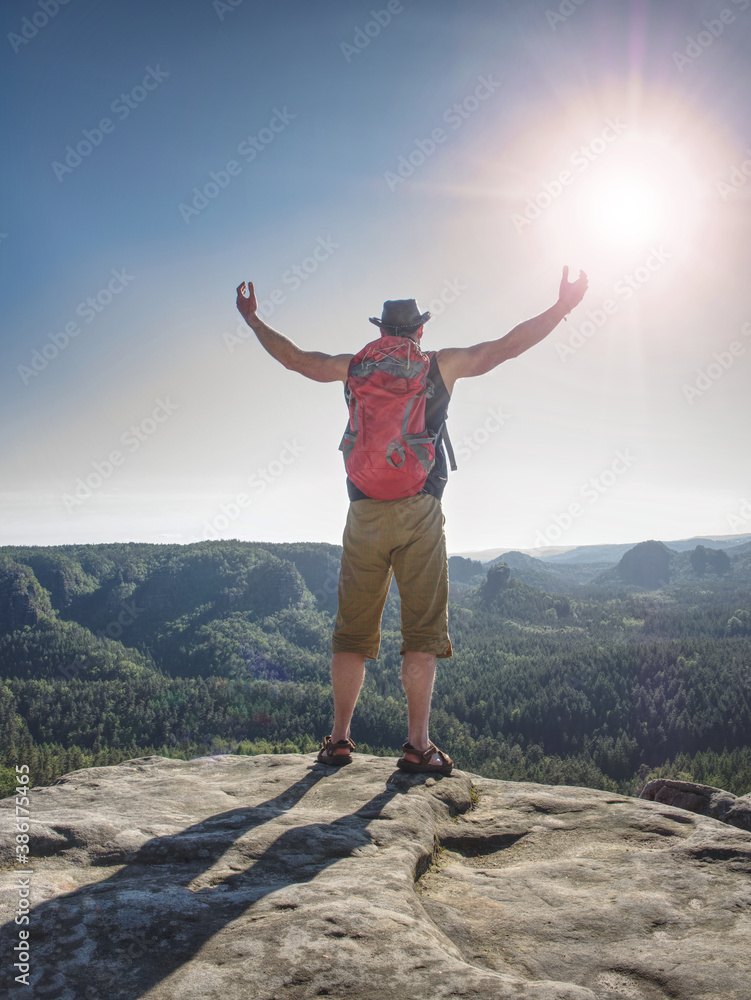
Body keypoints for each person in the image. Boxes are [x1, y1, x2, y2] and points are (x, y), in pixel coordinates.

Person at [235, 265, 588, 773]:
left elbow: (296, 360)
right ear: (419, 330)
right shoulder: (439, 365)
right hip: (420, 511)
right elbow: (506, 347)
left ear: (381, 330)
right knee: (420, 634)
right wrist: (563, 306)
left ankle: (339, 739)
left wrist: (254, 319)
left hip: (363, 512)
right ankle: (418, 746)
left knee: (351, 634)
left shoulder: (354, 367)